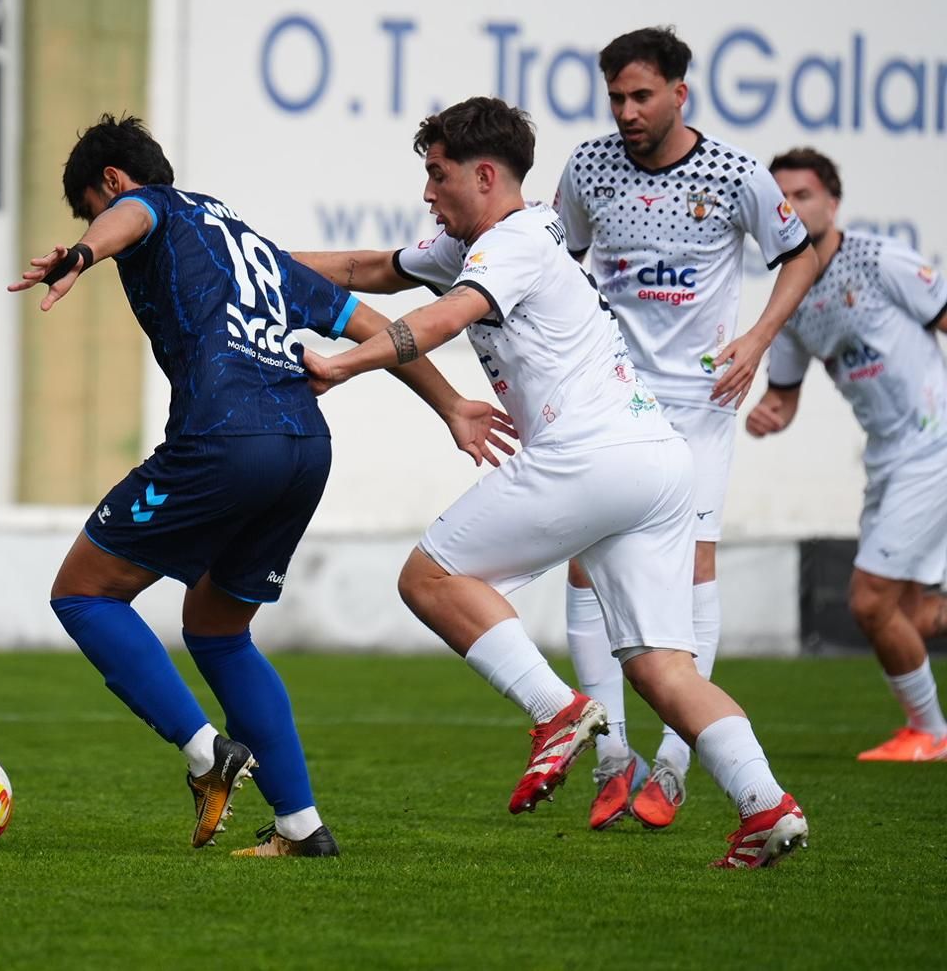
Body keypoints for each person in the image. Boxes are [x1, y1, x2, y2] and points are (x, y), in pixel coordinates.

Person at [300, 96, 807, 868]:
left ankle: (556, 710)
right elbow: (365, 269)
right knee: (660, 667)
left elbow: (442, 321)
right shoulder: (492, 241)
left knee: (430, 575)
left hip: (591, 454)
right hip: (655, 460)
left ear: (483, 174)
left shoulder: (513, 242)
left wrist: (341, 362)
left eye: (436, 176)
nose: (427, 194)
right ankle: (768, 805)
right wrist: (242, 252)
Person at [9, 114, 512, 857]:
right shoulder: (245, 240)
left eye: (93, 205)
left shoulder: (159, 208)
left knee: (83, 591)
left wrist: (85, 249)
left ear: (112, 183)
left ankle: (205, 751)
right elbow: (369, 322)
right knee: (216, 626)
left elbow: (137, 211)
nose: (101, 226)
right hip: (305, 446)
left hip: (225, 437)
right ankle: (301, 826)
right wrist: (450, 405)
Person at [552, 26, 817, 830]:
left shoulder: (736, 173)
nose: (628, 112)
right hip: (611, 401)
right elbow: (558, 260)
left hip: (699, 404)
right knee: (585, 567)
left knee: (692, 570)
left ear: (679, 93)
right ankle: (610, 757)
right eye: (616, 98)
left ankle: (672, 761)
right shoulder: (588, 168)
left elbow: (801, 254)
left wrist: (759, 339)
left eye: (642, 96)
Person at [746, 146, 947, 762]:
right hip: (888, 457)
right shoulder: (792, 292)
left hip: (932, 444)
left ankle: (930, 733)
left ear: (832, 203)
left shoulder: (877, 258)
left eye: (804, 195)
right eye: (781, 199)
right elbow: (784, 395)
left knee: (868, 601)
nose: (793, 207)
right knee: (913, 615)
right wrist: (768, 414)